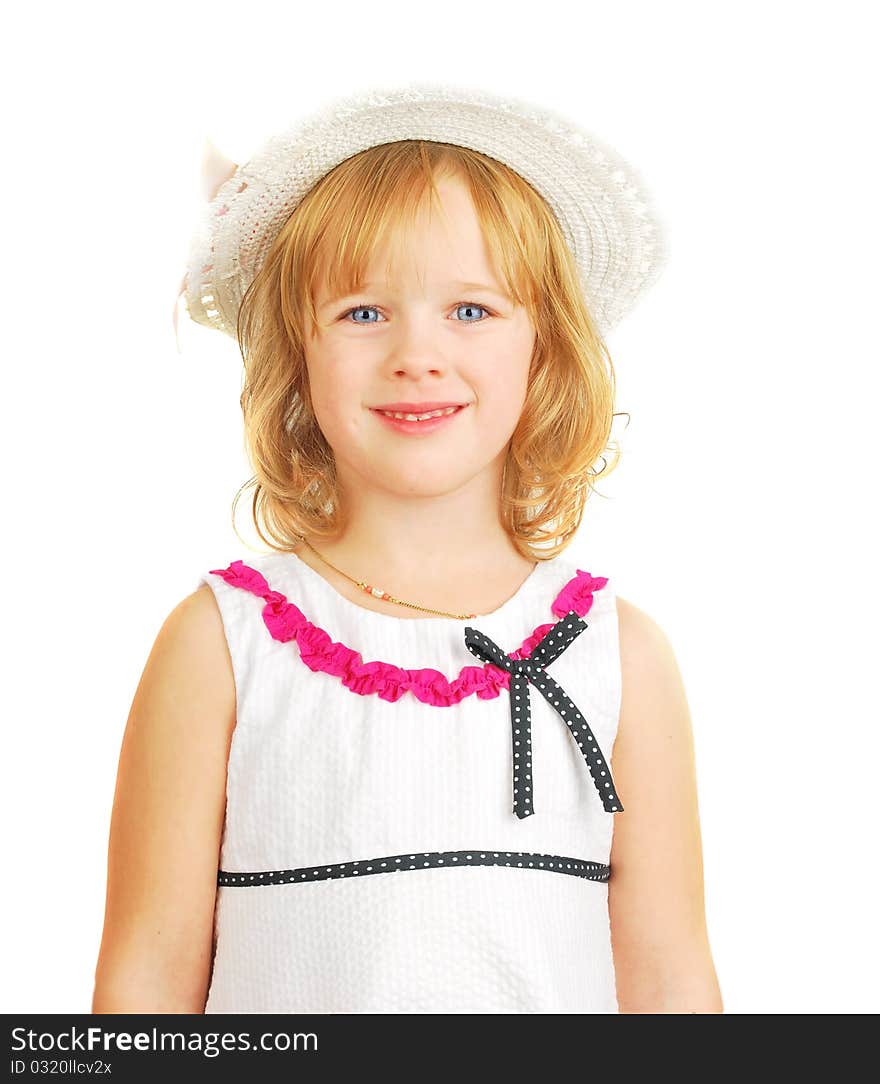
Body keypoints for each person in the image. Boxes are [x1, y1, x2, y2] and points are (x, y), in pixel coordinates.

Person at [92, 82, 722, 1014]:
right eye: (362, 312)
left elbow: (670, 979)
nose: (415, 355)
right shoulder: (221, 646)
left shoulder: (619, 655)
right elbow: (146, 978)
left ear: (543, 348)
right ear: (295, 352)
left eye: (470, 310)